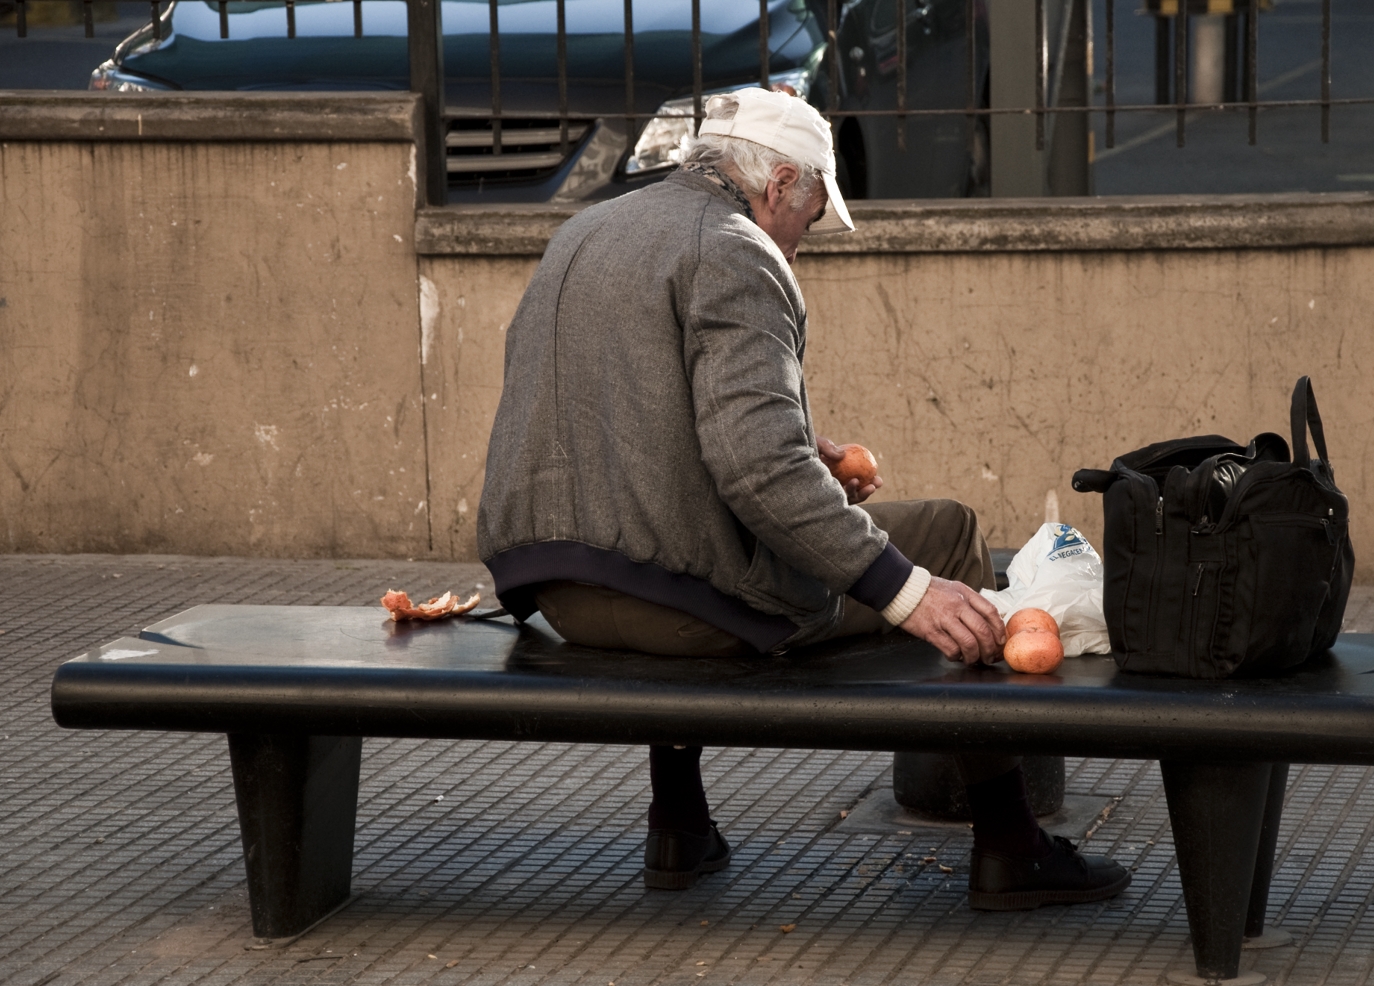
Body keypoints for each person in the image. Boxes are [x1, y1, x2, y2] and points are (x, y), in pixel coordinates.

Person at [477, 87, 1128, 912]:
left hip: (559, 593)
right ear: (780, 184)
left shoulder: (587, 230)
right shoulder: (737, 250)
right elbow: (757, 474)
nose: (806, 239)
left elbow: (620, 421)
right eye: (814, 213)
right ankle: (1010, 841)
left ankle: (677, 820)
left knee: (683, 544)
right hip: (673, 610)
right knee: (947, 533)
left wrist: (796, 447)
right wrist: (909, 592)